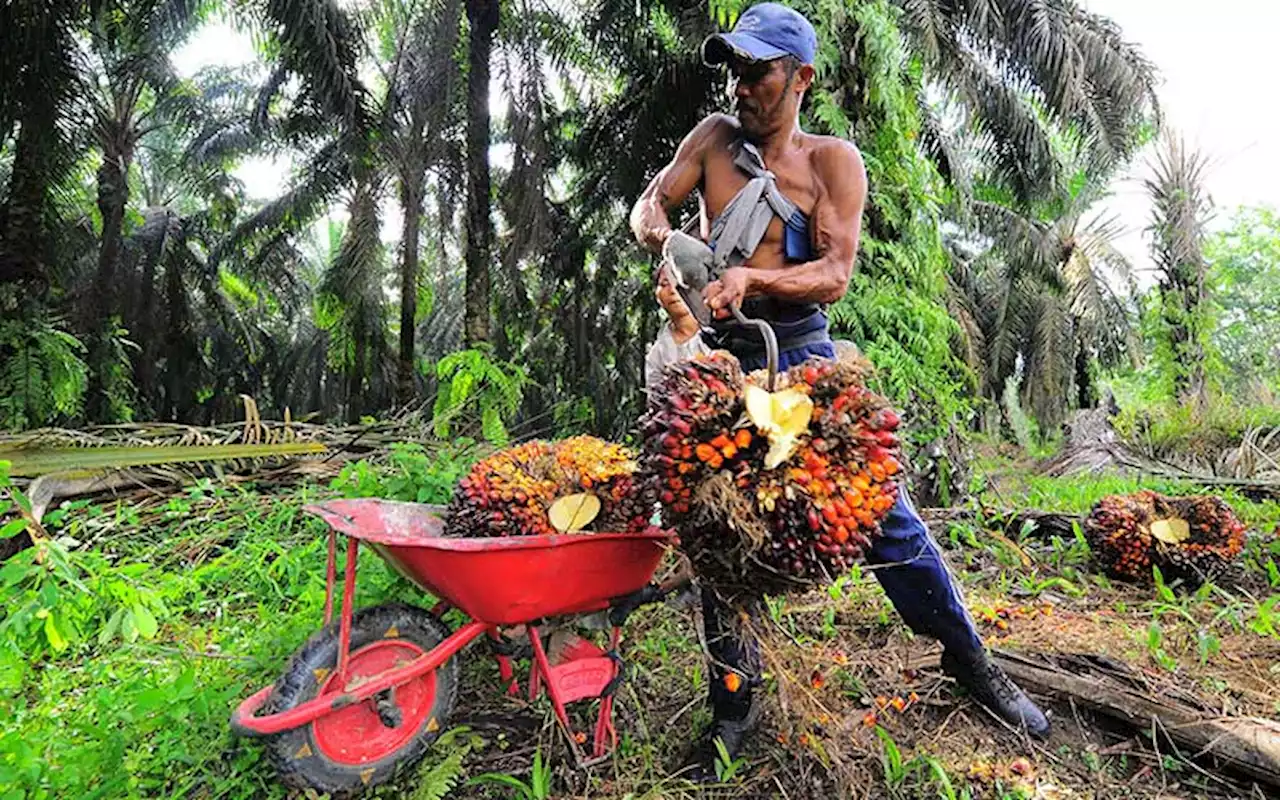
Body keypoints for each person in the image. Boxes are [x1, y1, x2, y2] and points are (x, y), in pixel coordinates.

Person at [628, 2, 1050, 782]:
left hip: (801, 353)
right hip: (721, 360)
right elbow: (650, 200)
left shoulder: (831, 163)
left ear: (800, 79)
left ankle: (972, 664)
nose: (741, 86)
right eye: (733, 70)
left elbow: (834, 274)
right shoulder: (712, 141)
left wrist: (755, 275)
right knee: (717, 525)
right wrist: (657, 226)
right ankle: (733, 700)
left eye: (757, 72)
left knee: (886, 520)